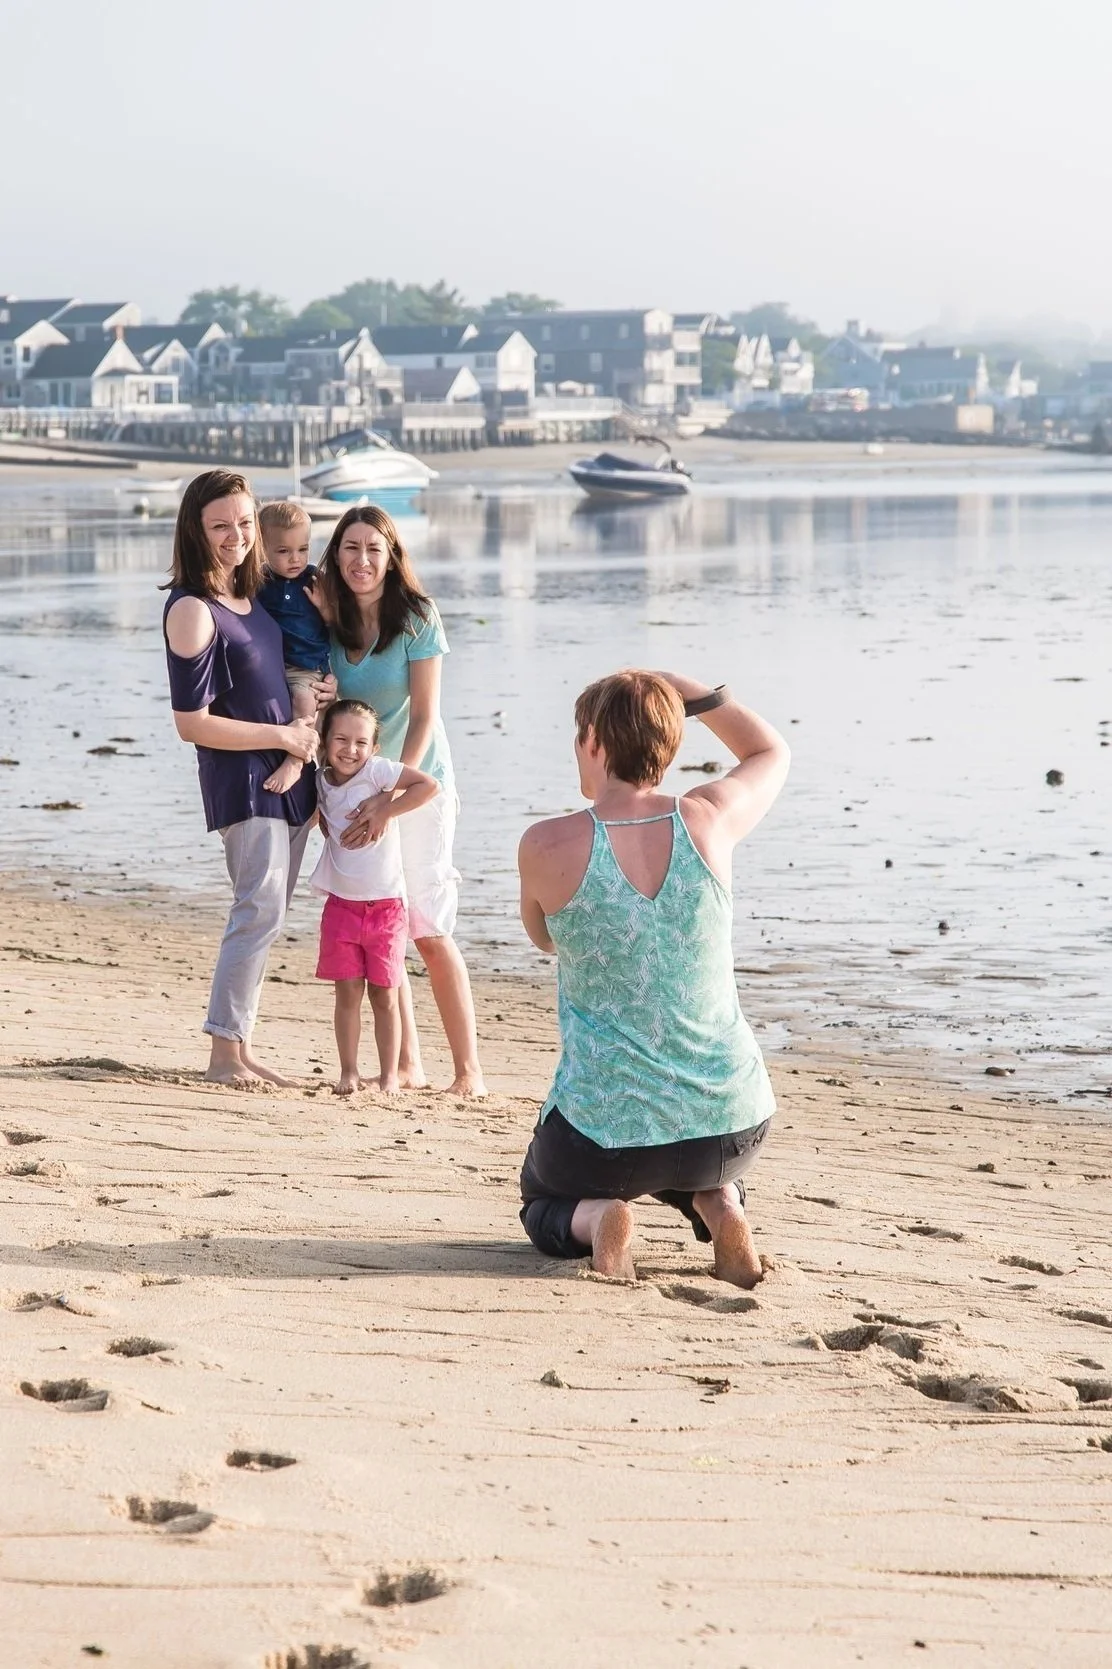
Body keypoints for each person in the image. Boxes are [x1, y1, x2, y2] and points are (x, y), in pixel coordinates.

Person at [517, 669, 790, 1286]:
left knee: (541, 1199)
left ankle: (601, 1219)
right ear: (669, 745)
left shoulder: (546, 843)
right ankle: (722, 1207)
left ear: (592, 741)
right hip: (732, 1123)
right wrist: (694, 696)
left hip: (602, 1139)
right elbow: (770, 750)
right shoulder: (711, 819)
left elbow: (544, 938)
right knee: (690, 1157)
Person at [316, 505, 486, 1098]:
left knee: (429, 927)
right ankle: (409, 1063)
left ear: (392, 557)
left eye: (373, 549)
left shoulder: (417, 617)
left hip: (419, 787)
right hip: (358, 797)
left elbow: (425, 714)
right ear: (335, 555)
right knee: (386, 919)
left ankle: (468, 1072)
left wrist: (390, 796)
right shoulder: (328, 618)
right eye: (350, 548)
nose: (361, 560)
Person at [162, 469, 321, 1087]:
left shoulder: (250, 597)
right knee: (256, 909)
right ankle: (223, 1055)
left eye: (246, 522)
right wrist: (283, 736)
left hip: (288, 778)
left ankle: (240, 1045)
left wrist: (311, 699)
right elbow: (191, 723)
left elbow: (268, 680)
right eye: (221, 525)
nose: (237, 535)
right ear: (196, 530)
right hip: (244, 781)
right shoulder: (193, 610)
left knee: (269, 916)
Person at [309, 698, 438, 1095]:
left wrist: (386, 809)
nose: (351, 750)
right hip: (341, 907)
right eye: (341, 740)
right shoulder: (319, 780)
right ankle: (348, 1072)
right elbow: (323, 820)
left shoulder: (378, 773)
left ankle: (387, 1078)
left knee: (385, 994)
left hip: (385, 907)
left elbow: (428, 785)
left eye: (361, 743)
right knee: (347, 994)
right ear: (324, 743)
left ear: (374, 748)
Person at [255, 500, 331, 796]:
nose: (295, 559)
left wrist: (326, 611)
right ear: (262, 549)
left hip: (306, 667)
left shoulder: (314, 579)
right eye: (283, 551)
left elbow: (338, 625)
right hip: (271, 668)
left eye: (303, 549)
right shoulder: (258, 581)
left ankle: (295, 760)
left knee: (304, 703)